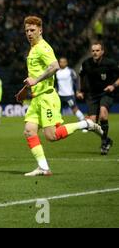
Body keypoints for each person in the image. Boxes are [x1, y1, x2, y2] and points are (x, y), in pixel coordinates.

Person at [19, 16, 104, 176]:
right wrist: (25, 90)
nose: (29, 33)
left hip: (47, 98)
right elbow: (34, 75)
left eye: (32, 30)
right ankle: (43, 168)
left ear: (40, 30)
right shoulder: (33, 48)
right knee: (29, 130)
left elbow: (55, 66)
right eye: (27, 31)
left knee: (51, 136)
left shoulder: (43, 48)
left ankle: (85, 124)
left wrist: (35, 80)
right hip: (37, 98)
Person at [77, 42, 119, 155]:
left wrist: (113, 86)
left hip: (106, 93)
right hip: (92, 95)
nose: (95, 53)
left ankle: (104, 143)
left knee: (103, 115)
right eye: (93, 51)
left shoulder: (110, 63)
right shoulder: (86, 63)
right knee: (91, 124)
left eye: (97, 50)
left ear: (102, 52)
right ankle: (107, 139)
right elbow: (81, 76)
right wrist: (80, 90)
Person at [55, 57, 86, 123]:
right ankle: (57, 127)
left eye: (64, 62)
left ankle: (84, 122)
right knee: (57, 111)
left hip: (69, 95)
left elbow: (76, 82)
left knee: (74, 109)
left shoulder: (70, 71)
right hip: (59, 95)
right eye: (60, 62)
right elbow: (56, 84)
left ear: (66, 63)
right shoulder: (57, 72)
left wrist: (77, 91)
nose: (62, 63)